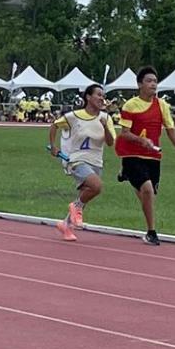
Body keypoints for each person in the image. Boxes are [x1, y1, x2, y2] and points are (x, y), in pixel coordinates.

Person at [115, 67, 175, 246]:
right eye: (149, 81)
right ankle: (151, 232)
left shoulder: (162, 105)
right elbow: (124, 133)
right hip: (132, 153)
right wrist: (141, 141)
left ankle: (127, 175)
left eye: (155, 81)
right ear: (140, 84)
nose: (153, 84)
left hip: (153, 156)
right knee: (147, 190)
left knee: (148, 195)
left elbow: (171, 131)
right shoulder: (130, 105)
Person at [47, 83, 116, 241]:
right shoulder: (74, 116)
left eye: (103, 95)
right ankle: (75, 206)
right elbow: (54, 126)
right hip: (77, 159)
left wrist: (105, 127)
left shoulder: (106, 118)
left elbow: (111, 143)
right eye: (98, 94)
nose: (101, 98)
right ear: (88, 97)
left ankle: (66, 226)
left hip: (96, 161)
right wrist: (53, 146)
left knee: (87, 193)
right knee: (96, 186)